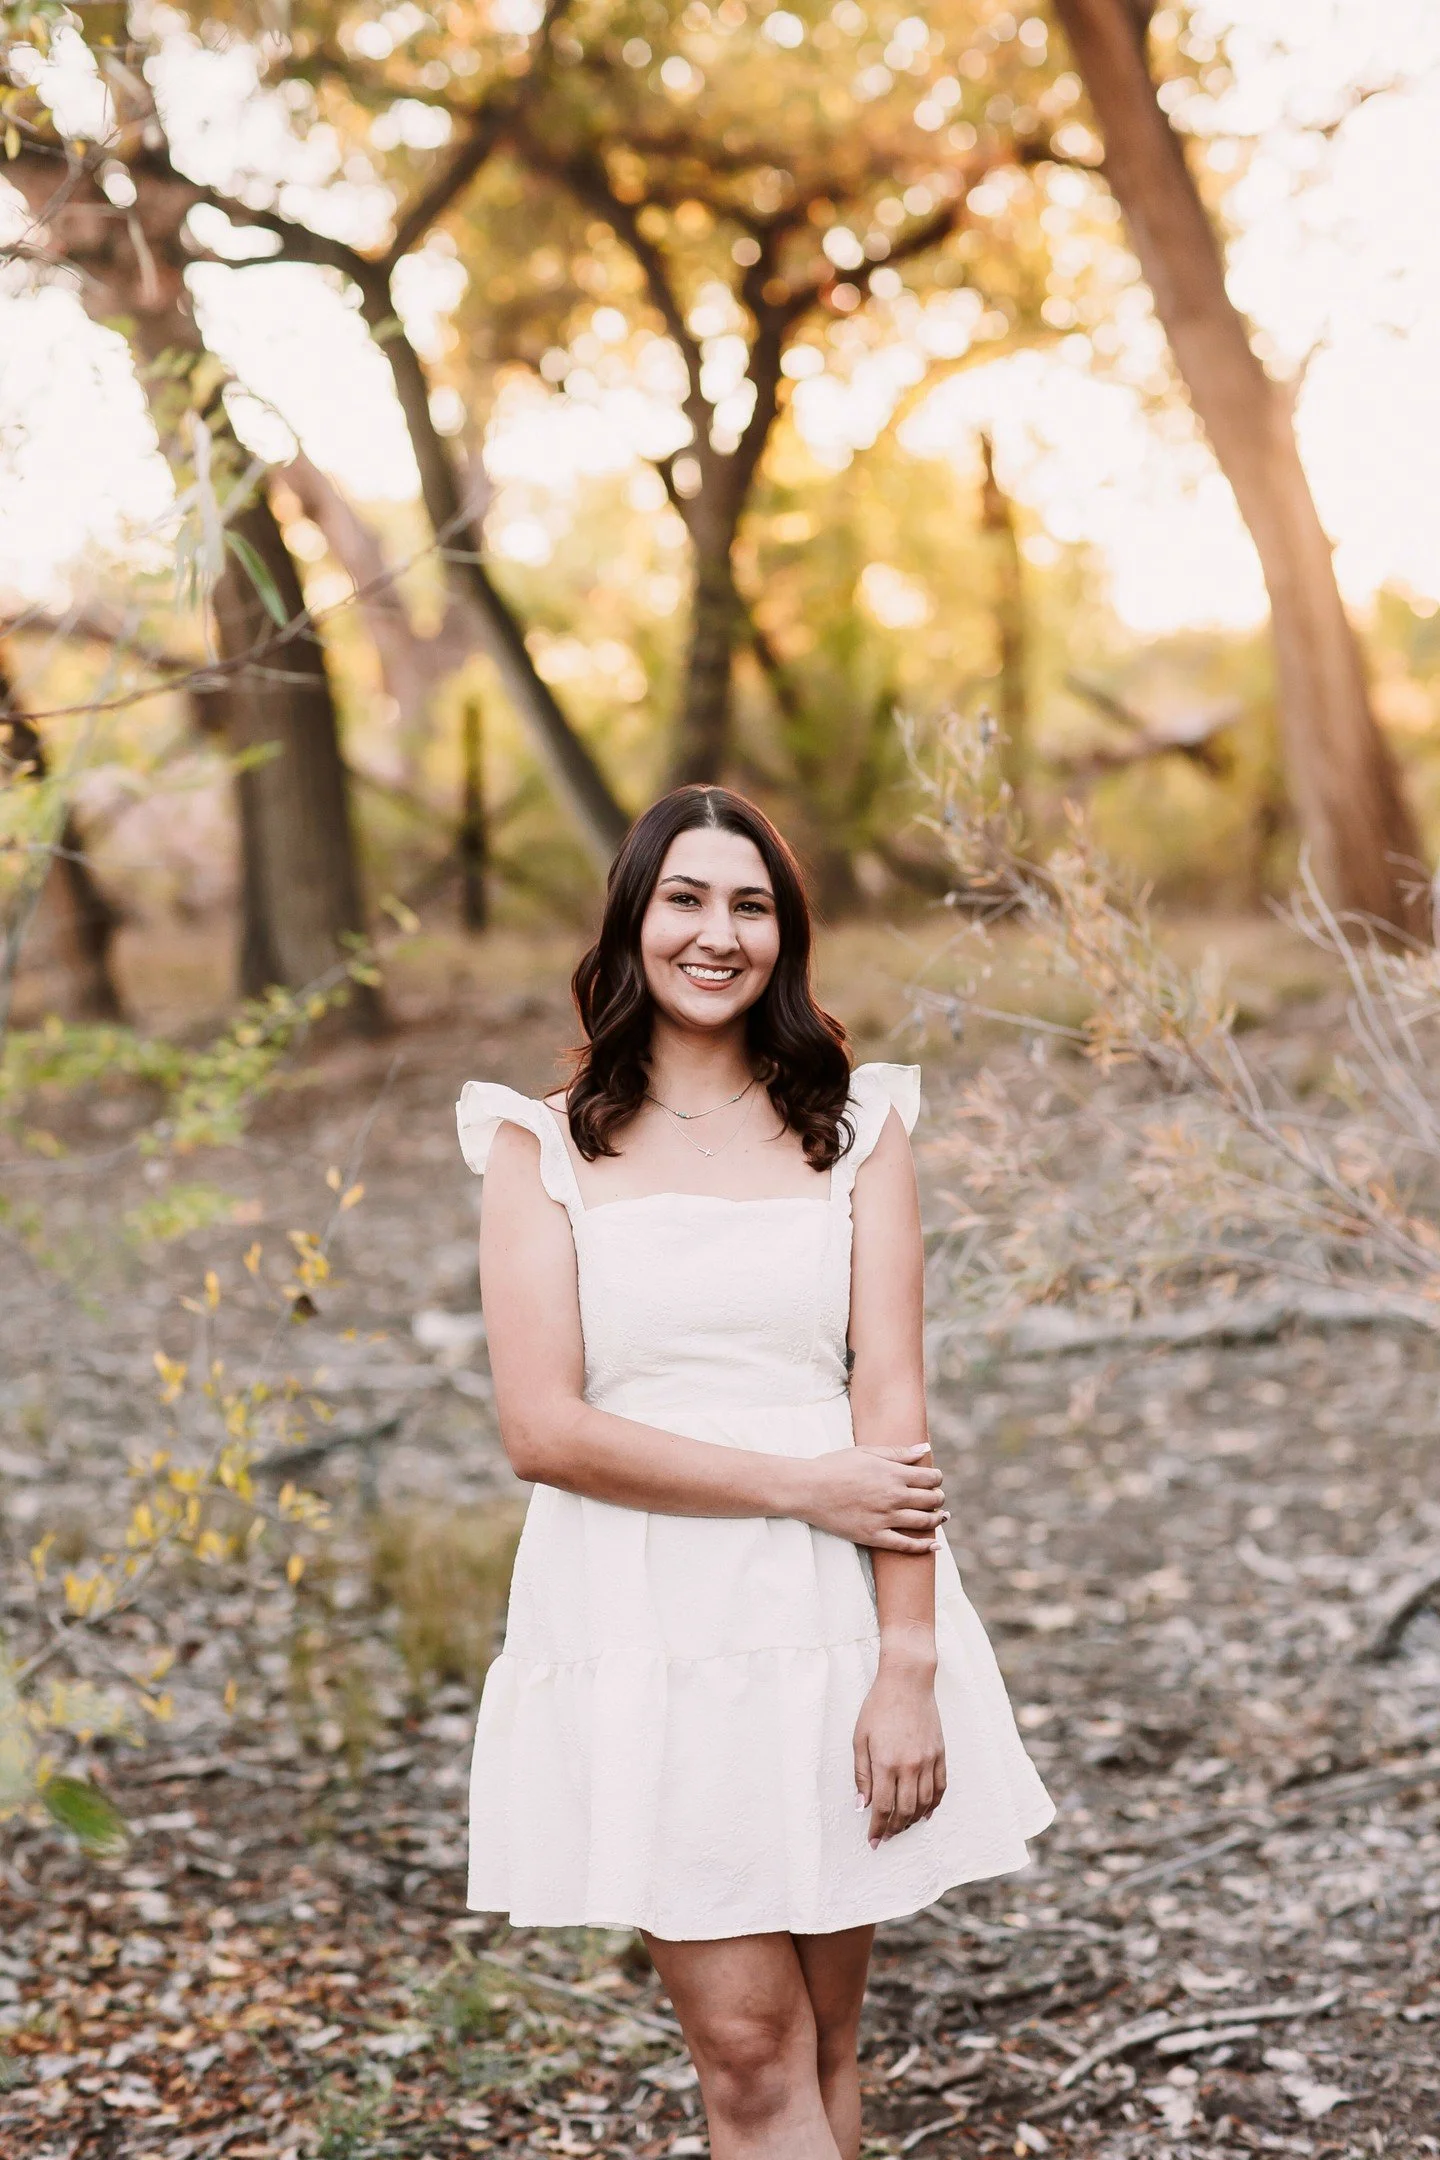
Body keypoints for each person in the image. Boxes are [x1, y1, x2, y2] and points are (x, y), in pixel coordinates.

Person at [457, 785, 1053, 2160]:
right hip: (644, 1613)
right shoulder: (537, 1148)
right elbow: (542, 1431)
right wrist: (801, 1485)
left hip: (835, 1613)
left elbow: (889, 1402)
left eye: (751, 905)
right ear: (634, 918)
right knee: (747, 2053)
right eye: (686, 899)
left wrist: (907, 1662)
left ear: (784, 935)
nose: (716, 934)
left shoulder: (858, 1131)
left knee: (829, 2045)